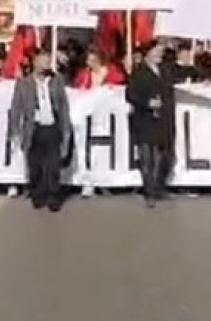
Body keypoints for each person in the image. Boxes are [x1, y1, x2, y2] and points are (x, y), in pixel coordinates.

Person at [9, 49, 72, 212]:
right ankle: (38, 194)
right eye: (43, 61)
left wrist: (65, 129)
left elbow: (63, 106)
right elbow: (16, 108)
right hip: (33, 129)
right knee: (35, 166)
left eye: (48, 61)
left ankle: (53, 197)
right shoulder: (24, 83)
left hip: (52, 127)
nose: (47, 64)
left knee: (53, 166)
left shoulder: (57, 80)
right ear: (35, 63)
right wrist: (15, 130)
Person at [125, 40, 176, 208]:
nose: (160, 54)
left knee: (164, 156)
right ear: (148, 53)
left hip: (163, 120)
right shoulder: (138, 72)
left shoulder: (165, 70)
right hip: (144, 120)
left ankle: (159, 187)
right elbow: (130, 95)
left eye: (161, 52)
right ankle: (149, 192)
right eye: (157, 51)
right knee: (147, 158)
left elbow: (182, 72)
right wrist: (147, 103)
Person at [74, 49, 125, 199]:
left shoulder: (111, 71)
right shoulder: (84, 75)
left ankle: (106, 180)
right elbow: (78, 91)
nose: (90, 63)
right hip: (89, 118)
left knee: (105, 151)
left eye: (93, 60)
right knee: (89, 149)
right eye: (88, 61)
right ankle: (88, 183)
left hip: (107, 118)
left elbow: (120, 85)